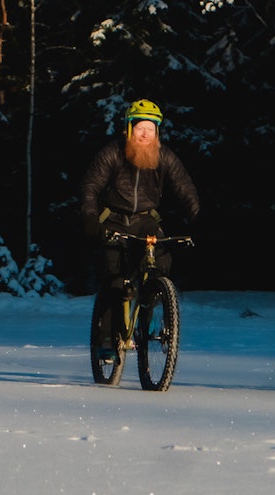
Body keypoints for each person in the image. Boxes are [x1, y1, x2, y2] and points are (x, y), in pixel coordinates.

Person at [80, 98, 200, 359]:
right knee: (115, 276)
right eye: (140, 128)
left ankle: (148, 306)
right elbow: (91, 186)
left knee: (161, 262)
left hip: (147, 221)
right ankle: (107, 339)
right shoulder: (112, 152)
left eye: (151, 128)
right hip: (114, 219)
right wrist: (90, 218)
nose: (145, 134)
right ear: (129, 128)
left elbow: (185, 188)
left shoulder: (164, 156)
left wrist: (197, 218)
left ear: (157, 132)